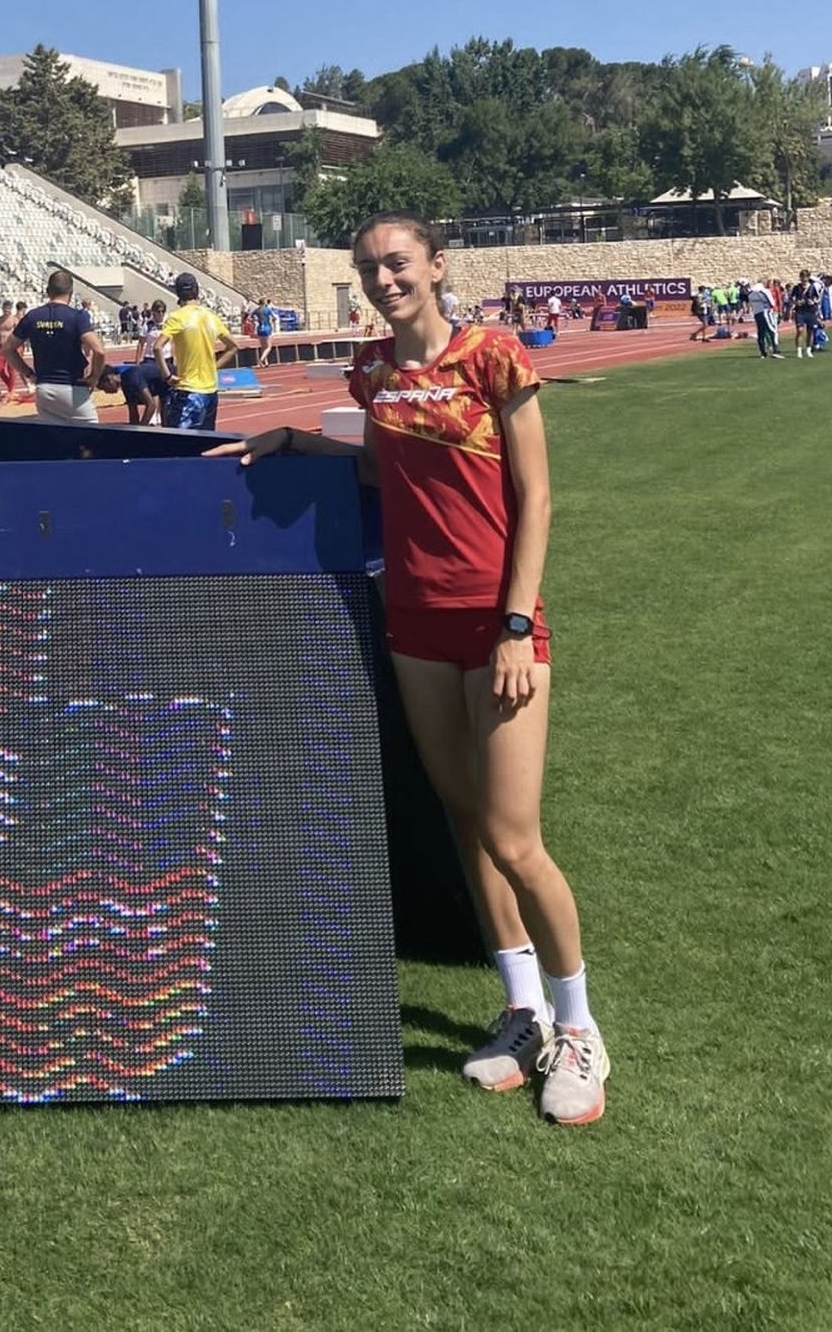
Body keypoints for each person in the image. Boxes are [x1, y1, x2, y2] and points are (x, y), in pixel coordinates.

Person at [205, 210, 611, 1126]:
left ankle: (581, 1027)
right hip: (414, 623)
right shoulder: (376, 373)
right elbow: (391, 472)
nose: (385, 279)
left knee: (515, 838)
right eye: (369, 268)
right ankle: (522, 1012)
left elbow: (535, 496)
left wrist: (515, 622)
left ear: (435, 265)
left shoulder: (493, 356)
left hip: (497, 622)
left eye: (398, 263)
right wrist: (297, 445)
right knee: (463, 818)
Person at [3, 269, 107, 424]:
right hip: (72, 388)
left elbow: (8, 349)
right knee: (90, 439)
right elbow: (99, 351)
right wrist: (94, 377)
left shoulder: (32, 316)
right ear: (71, 292)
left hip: (44, 387)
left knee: (53, 441)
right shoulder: (77, 317)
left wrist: (29, 373)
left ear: (47, 291)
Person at [160, 273, 239, 430]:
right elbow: (233, 346)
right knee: (205, 443)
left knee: (177, 443)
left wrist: (167, 375)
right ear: (197, 291)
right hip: (210, 391)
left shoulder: (176, 317)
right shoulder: (211, 316)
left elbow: (157, 347)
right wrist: (213, 367)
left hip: (188, 390)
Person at [119, 356, 169, 424]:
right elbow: (132, 410)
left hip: (170, 380)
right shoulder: (125, 383)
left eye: (104, 388)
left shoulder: (131, 379)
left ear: (109, 379)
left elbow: (151, 405)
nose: (106, 392)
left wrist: (142, 428)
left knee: (168, 420)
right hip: (160, 385)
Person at [747, 279, 781, 358]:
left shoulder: (751, 293)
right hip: (766, 312)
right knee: (772, 330)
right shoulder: (764, 291)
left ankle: (763, 352)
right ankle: (775, 350)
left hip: (756, 313)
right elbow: (772, 303)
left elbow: (751, 303)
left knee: (761, 333)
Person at [790, 270, 821, 358]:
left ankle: (808, 350)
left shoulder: (812, 287)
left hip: (810, 311)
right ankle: (799, 350)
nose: (804, 279)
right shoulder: (797, 287)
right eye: (802, 277)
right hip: (800, 311)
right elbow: (791, 298)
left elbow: (818, 298)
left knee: (810, 332)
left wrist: (813, 302)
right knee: (800, 330)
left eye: (806, 277)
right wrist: (796, 302)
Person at [255, 297, 276, 367]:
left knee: (263, 347)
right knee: (268, 347)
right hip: (267, 328)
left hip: (260, 328)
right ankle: (260, 360)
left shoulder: (257, 310)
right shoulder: (267, 309)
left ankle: (266, 362)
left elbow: (249, 317)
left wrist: (254, 322)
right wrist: (273, 320)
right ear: (264, 302)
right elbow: (274, 317)